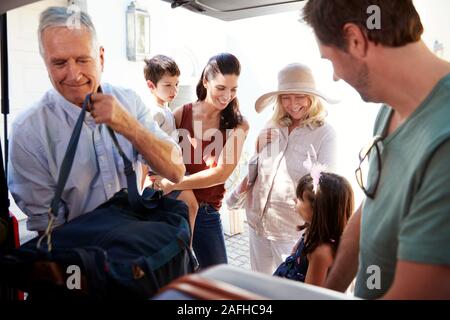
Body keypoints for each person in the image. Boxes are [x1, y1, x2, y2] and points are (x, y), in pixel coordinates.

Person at [303, 0, 450, 299]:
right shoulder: (390, 110)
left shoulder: (445, 143)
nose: (334, 75)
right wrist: (327, 293)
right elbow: (371, 207)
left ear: (356, 40)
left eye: (330, 60)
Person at [7, 7, 184, 233]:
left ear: (101, 57)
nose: (74, 74)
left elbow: (176, 172)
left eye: (82, 60)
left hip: (136, 246)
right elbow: (50, 231)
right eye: (59, 63)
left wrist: (130, 127)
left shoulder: (128, 101)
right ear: (46, 64)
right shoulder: (28, 133)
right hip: (81, 257)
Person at [229, 63, 338, 275]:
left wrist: (310, 236)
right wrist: (257, 147)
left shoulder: (325, 134)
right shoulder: (272, 125)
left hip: (292, 233)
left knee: (287, 291)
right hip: (257, 226)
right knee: (260, 289)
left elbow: (326, 191)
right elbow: (256, 170)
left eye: (299, 97)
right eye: (286, 97)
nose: (292, 104)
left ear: (311, 98)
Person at [152, 53, 249, 269]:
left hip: (206, 214)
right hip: (174, 207)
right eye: (221, 88)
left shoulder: (239, 125)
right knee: (174, 276)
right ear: (206, 81)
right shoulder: (180, 114)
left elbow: (221, 173)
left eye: (233, 89)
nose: (227, 96)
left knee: (218, 281)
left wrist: (175, 183)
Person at [143, 55, 199, 235]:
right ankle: (187, 254)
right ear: (151, 86)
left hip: (170, 169)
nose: (174, 90)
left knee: (185, 209)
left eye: (176, 84)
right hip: (160, 173)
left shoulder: (166, 109)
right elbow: (145, 147)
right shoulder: (154, 112)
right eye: (167, 85)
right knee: (191, 205)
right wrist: (150, 177)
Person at [273, 172, 353, 287]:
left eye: (300, 198)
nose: (295, 200)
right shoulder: (312, 230)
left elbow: (311, 295)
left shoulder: (320, 253)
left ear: (317, 209)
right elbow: (294, 254)